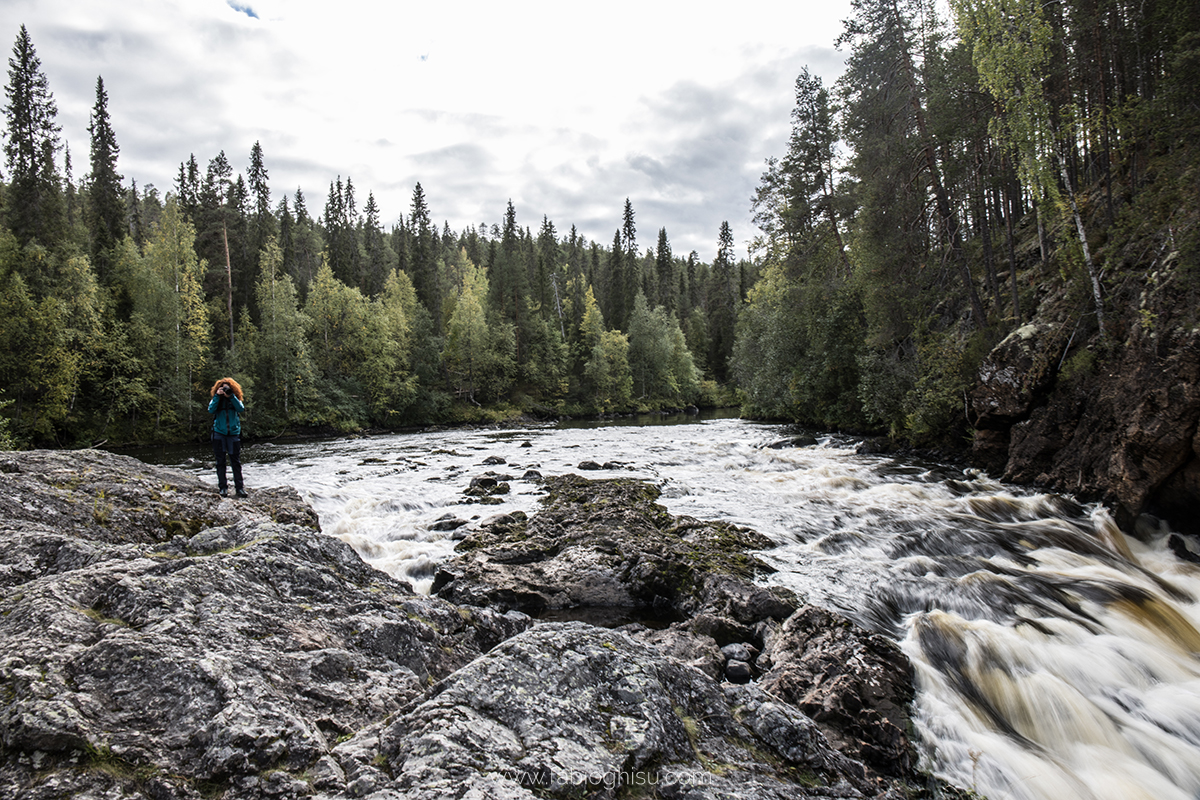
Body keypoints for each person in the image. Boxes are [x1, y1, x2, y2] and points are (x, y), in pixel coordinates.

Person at [208, 377, 247, 498]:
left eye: (227, 388)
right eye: (223, 388)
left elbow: (241, 408)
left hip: (233, 434)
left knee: (235, 462)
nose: (225, 390)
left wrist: (231, 396)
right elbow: (211, 410)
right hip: (219, 433)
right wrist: (217, 396)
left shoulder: (235, 399)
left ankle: (239, 488)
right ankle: (223, 488)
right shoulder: (216, 399)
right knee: (220, 462)